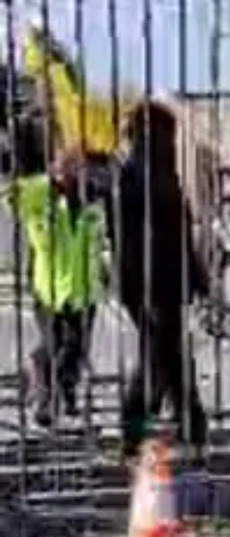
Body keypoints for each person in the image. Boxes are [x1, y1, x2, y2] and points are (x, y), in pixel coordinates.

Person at [114, 102, 210, 459]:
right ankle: (144, 429)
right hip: (148, 284)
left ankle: (186, 425)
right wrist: (139, 288)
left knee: (169, 355)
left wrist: (196, 274)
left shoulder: (162, 173)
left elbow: (180, 231)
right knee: (159, 357)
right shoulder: (134, 176)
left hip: (169, 281)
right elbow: (129, 240)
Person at [16, 147, 107, 427]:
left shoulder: (94, 201)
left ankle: (62, 390)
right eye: (68, 170)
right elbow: (11, 192)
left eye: (80, 170)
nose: (75, 176)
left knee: (76, 350)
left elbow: (101, 240)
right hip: (49, 290)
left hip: (84, 291)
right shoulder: (40, 198)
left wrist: (104, 268)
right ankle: (45, 401)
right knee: (57, 346)